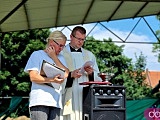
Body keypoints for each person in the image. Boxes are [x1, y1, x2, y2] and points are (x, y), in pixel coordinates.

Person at [24, 30, 69, 120]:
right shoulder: (37, 54)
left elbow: (66, 74)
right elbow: (33, 77)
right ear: (51, 42)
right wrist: (52, 80)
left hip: (56, 102)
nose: (61, 49)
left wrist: (54, 57)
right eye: (60, 45)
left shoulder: (61, 58)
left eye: (63, 46)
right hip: (40, 100)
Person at [61, 26, 102, 120]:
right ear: (71, 37)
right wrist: (71, 75)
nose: (80, 42)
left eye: (83, 39)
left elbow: (97, 77)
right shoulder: (61, 53)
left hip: (84, 93)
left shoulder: (89, 55)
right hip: (68, 92)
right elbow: (57, 73)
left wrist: (91, 73)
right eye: (78, 39)